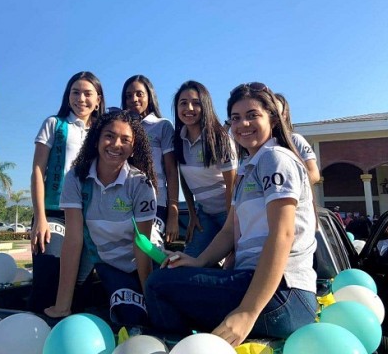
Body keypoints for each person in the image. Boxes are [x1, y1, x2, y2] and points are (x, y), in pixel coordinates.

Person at [146, 82, 318, 346]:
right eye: (236, 118)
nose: (243, 124)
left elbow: (282, 234)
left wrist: (248, 312)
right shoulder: (249, 167)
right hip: (254, 285)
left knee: (158, 286)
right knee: (169, 276)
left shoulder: (276, 158)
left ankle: (179, 348)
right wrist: (197, 261)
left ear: (272, 118)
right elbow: (228, 232)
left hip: (283, 293)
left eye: (252, 115)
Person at [44, 110, 157, 327]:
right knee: (126, 316)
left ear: (134, 148)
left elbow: (142, 246)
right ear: (96, 139)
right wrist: (62, 305)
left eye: (125, 140)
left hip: (143, 263)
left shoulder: (141, 184)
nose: (116, 144)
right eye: (109, 136)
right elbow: (74, 240)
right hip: (108, 263)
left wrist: (149, 299)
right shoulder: (76, 178)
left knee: (141, 320)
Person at [29, 71, 105, 313]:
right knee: (49, 274)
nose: (80, 98)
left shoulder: (103, 132)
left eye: (87, 93)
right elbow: (38, 172)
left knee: (79, 284)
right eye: (75, 92)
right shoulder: (54, 124)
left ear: (98, 100)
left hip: (87, 215)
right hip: (53, 213)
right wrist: (40, 218)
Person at [173, 80, 236, 257]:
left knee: (234, 265)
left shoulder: (220, 137)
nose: (189, 108)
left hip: (228, 213)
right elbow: (184, 179)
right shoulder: (177, 139)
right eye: (183, 103)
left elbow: (232, 184)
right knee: (189, 260)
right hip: (204, 215)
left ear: (205, 105)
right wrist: (192, 213)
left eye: (196, 103)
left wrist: (230, 224)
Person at [121, 75, 179, 245]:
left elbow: (171, 172)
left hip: (157, 202)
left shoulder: (162, 126)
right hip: (124, 201)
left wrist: (173, 214)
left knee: (149, 247)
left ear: (149, 96)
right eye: (128, 95)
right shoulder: (120, 127)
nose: (134, 99)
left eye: (139, 94)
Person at [274, 93, 320, 184]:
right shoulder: (254, 145)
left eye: (277, 111)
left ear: (285, 114)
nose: (273, 116)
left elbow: (314, 174)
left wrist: (286, 188)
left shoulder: (295, 139)